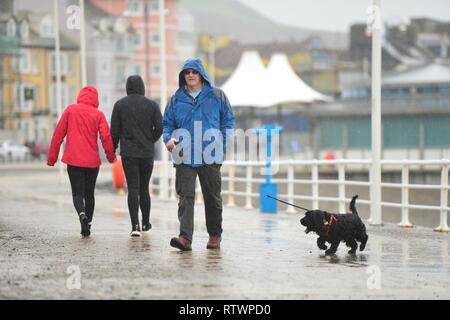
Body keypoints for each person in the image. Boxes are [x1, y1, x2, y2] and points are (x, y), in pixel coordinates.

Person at [163, 58, 234, 251]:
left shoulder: (217, 96)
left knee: (212, 196)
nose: (191, 75)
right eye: (187, 72)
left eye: (194, 71)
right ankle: (185, 238)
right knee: (185, 196)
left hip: (210, 154)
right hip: (184, 154)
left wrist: (222, 143)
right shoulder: (176, 99)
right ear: (183, 76)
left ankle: (214, 236)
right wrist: (168, 139)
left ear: (201, 74)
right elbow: (167, 124)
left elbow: (228, 121)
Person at [47, 86, 116, 237]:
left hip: (74, 160)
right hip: (92, 162)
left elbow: (58, 135)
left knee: (77, 194)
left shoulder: (70, 110)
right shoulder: (98, 114)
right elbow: (106, 137)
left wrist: (52, 158)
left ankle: (81, 215)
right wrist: (111, 157)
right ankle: (88, 224)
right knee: (89, 194)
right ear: (96, 99)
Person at [111, 75, 163, 237]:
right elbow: (160, 128)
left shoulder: (120, 105)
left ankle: (135, 225)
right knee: (144, 188)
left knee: (133, 188)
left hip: (129, 154)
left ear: (127, 87)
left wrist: (112, 149)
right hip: (147, 153)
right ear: (142, 87)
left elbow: (114, 131)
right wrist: (150, 140)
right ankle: (146, 223)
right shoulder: (152, 105)